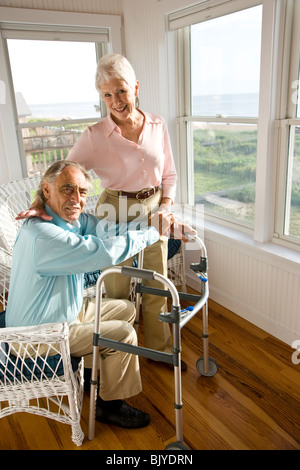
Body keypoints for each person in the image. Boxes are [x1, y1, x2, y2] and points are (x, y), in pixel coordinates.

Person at [18, 54, 180, 364]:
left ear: (135, 87)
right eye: (107, 94)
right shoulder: (93, 137)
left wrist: (166, 206)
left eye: (121, 90)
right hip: (114, 208)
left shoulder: (158, 124)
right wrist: (40, 201)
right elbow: (60, 172)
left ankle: (160, 352)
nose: (115, 101)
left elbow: (169, 173)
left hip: (153, 206)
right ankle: (118, 351)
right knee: (117, 284)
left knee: (156, 284)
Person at [6, 160, 177, 429]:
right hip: (38, 335)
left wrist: (148, 223)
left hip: (62, 312)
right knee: (123, 333)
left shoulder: (66, 218)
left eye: (83, 192)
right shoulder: (44, 236)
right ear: (46, 190)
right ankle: (110, 406)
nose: (77, 199)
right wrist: (153, 232)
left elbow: (107, 231)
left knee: (125, 308)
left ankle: (91, 371)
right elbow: (104, 252)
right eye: (67, 189)